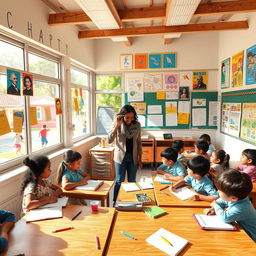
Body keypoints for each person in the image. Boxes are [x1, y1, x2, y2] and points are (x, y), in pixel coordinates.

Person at [205, 170, 256, 242]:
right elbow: (221, 201)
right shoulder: (239, 198)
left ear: (234, 198)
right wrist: (214, 208)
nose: (217, 192)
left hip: (252, 238)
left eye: (220, 191)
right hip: (242, 231)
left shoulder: (242, 207)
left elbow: (224, 218)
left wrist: (216, 206)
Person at [107, 105, 142, 203]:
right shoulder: (117, 124)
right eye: (127, 117)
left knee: (132, 180)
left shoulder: (137, 125)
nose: (129, 120)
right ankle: (115, 201)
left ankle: (131, 200)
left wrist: (140, 158)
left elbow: (139, 141)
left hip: (133, 157)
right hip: (120, 157)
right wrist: (117, 125)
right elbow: (109, 140)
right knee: (119, 180)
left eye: (132, 117)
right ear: (122, 116)